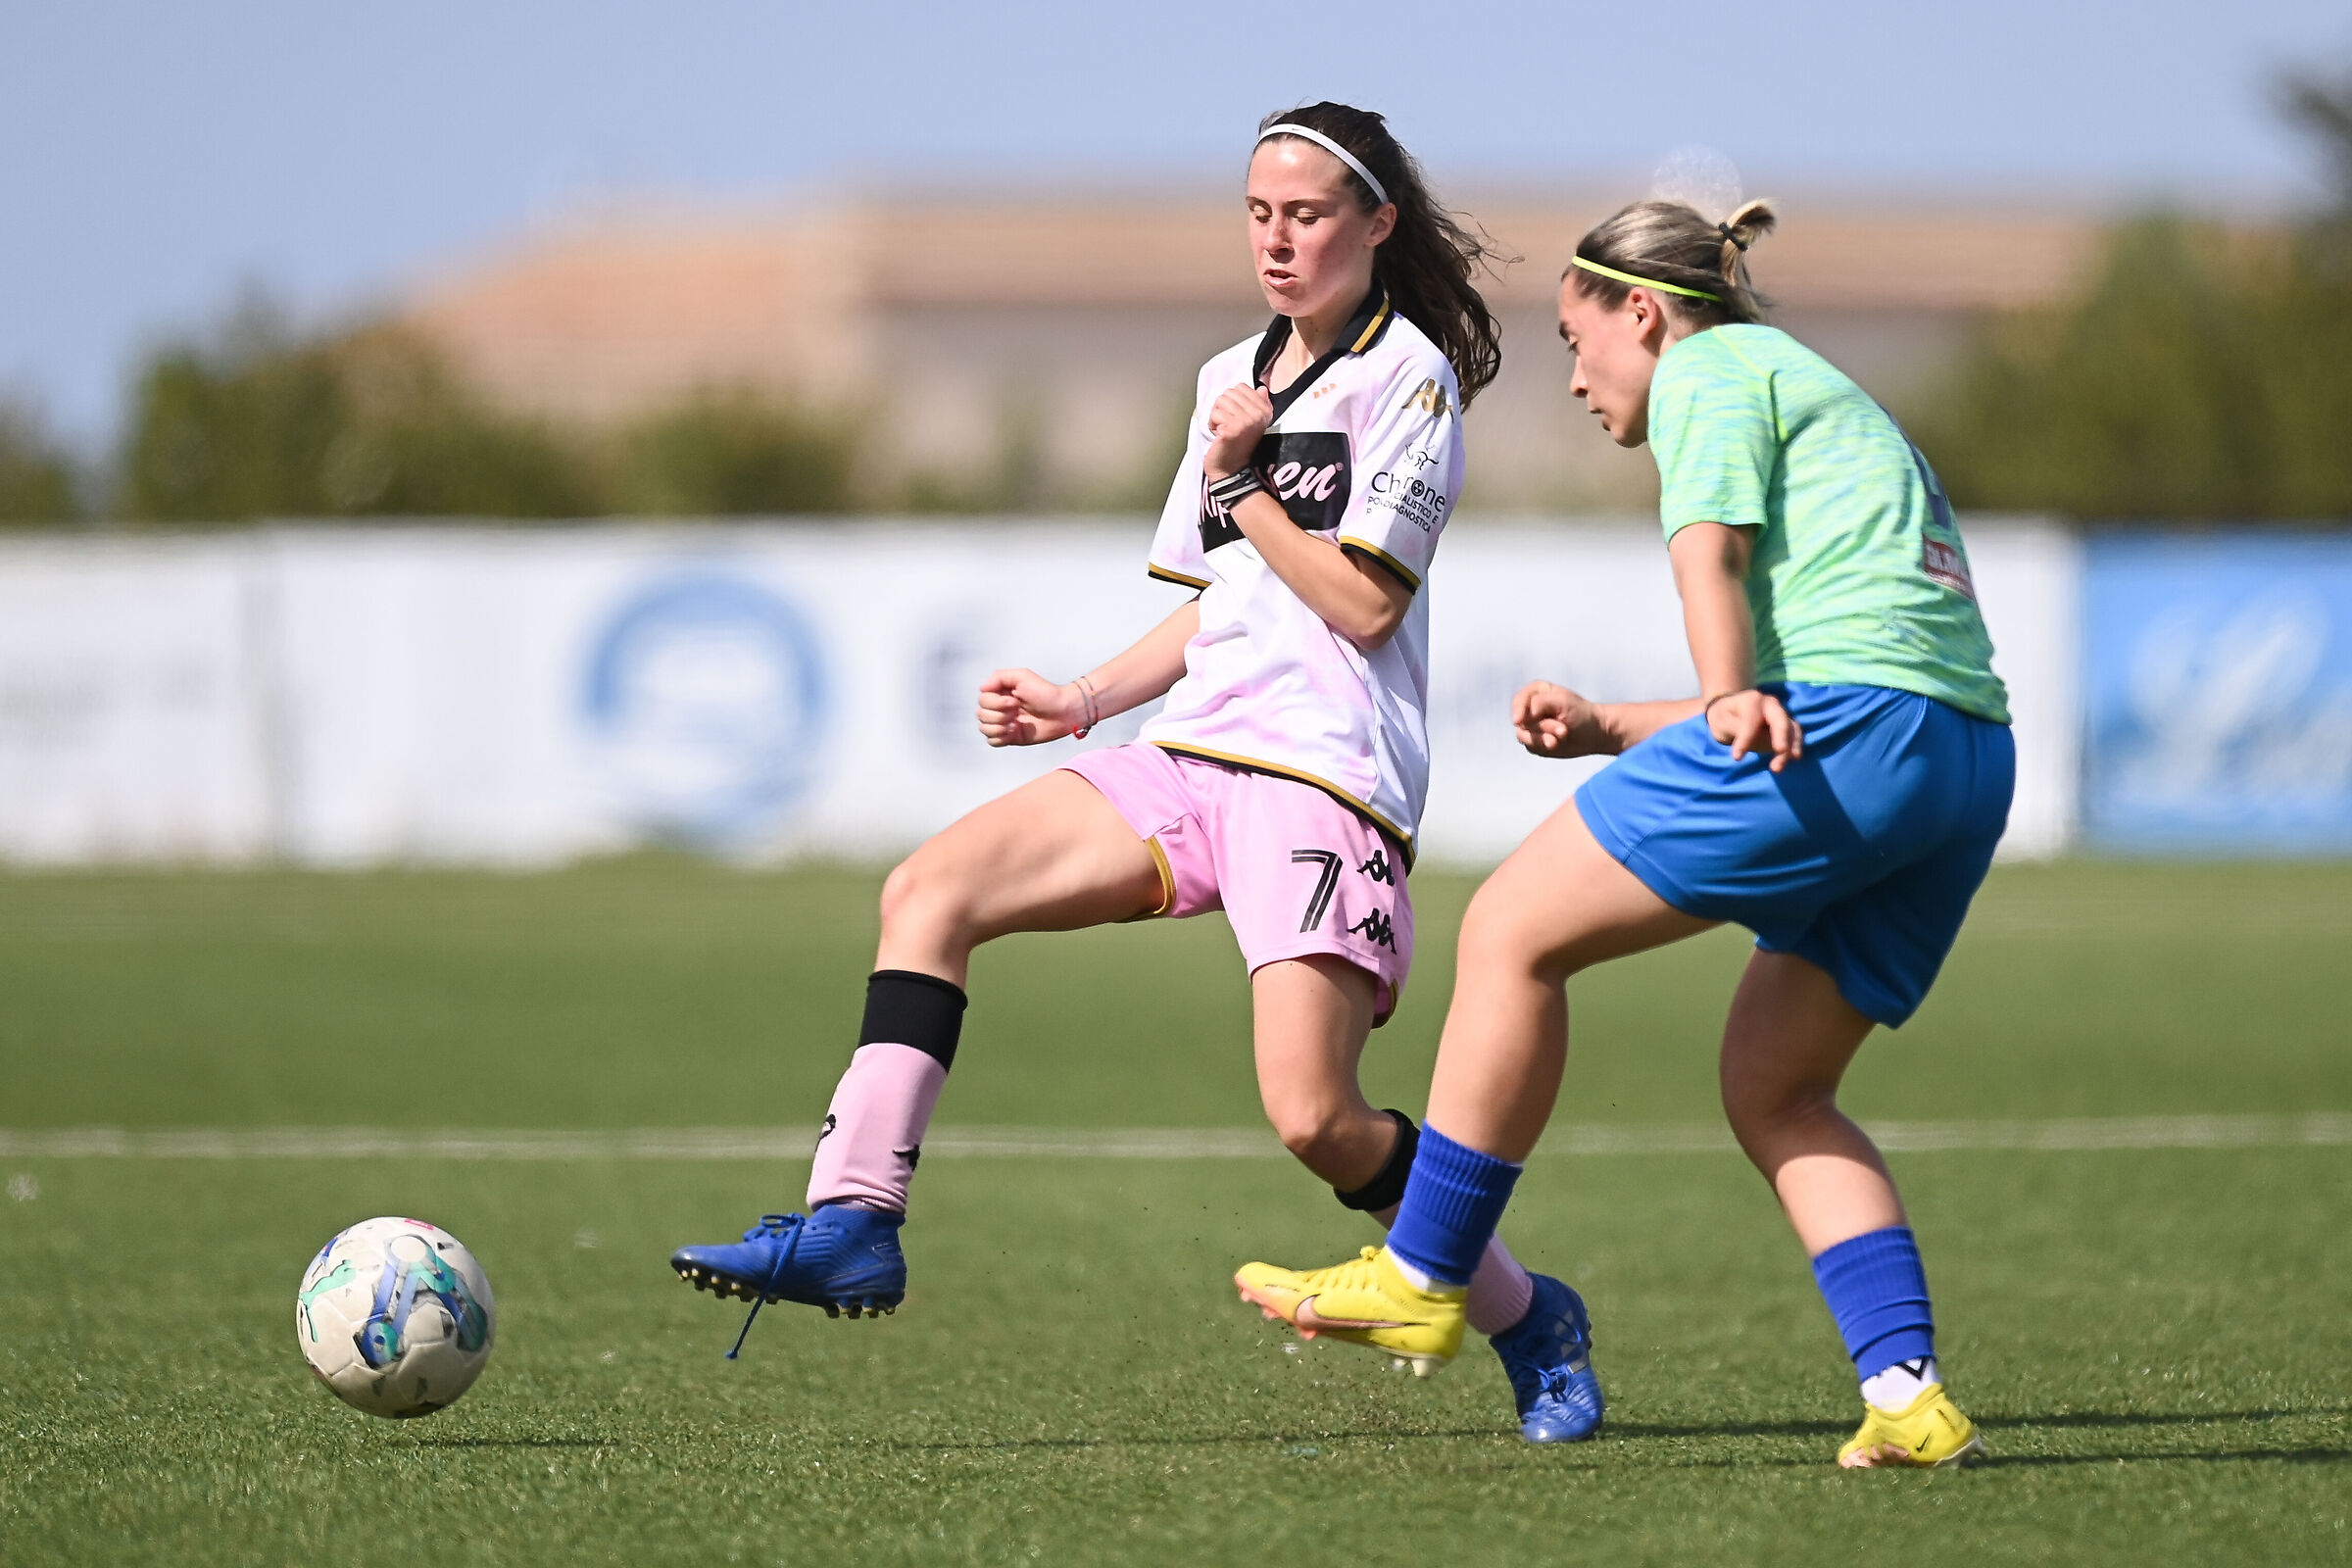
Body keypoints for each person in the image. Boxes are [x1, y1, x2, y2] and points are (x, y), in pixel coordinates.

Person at [669, 103, 1604, 1444]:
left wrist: (1249, 482)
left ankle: (1529, 1316)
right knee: (931, 890)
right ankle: (851, 1219)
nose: (1278, 242)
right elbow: (1220, 602)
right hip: (1189, 756)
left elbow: (1360, 609)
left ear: (1378, 224)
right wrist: (1082, 699)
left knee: (1316, 1120)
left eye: (1310, 215)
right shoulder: (1234, 371)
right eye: (1259, 213)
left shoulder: (1410, 382)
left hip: (1324, 780)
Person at [1235, 195, 2014, 1468]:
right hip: (1960, 756)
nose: (1579, 373)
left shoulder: (1707, 369)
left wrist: (1714, 700)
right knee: (1780, 1085)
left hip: (1860, 729)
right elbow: (1819, 684)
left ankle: (1427, 1272)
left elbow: (1709, 559)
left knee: (1510, 929)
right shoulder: (1797, 377)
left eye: (1573, 337)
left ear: (1642, 311)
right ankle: (1908, 1395)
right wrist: (1617, 724)